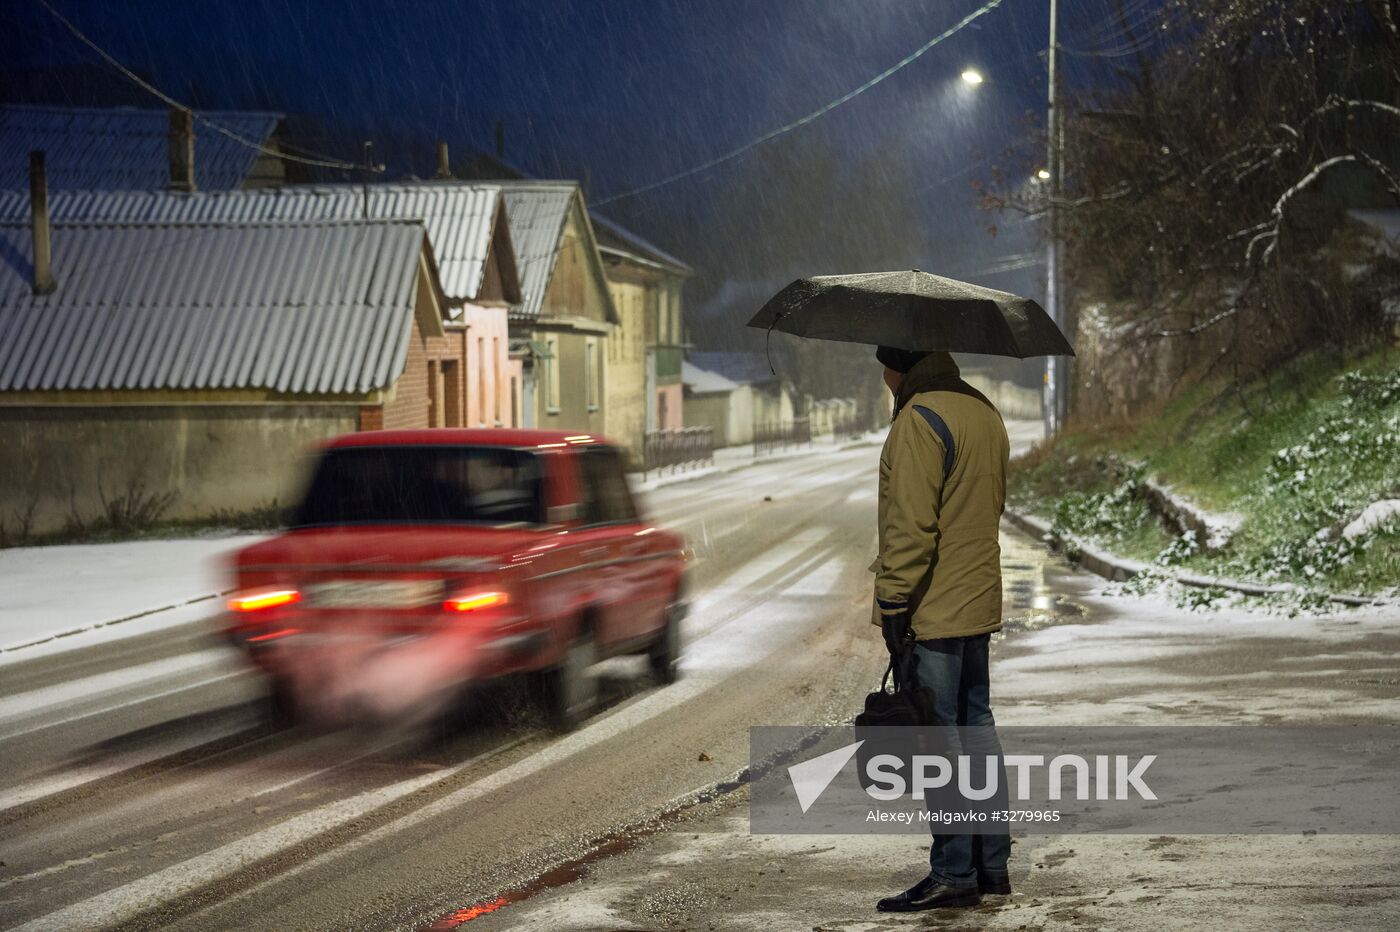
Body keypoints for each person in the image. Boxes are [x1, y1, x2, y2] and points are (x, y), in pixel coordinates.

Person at [870, 346, 1013, 912]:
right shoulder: (984, 412)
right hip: (977, 599)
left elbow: (911, 525)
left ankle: (953, 869)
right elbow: (988, 505)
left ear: (899, 367)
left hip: (933, 606)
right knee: (977, 730)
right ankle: (990, 865)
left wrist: (893, 600)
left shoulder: (919, 421)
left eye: (883, 366)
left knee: (940, 741)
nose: (882, 379)